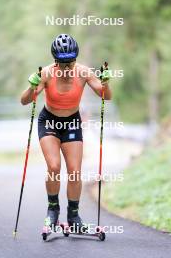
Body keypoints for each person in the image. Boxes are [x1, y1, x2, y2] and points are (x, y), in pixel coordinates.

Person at [20, 34, 112, 230]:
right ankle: (52, 210)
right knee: (54, 167)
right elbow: (25, 100)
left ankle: (73, 215)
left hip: (72, 123)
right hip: (50, 122)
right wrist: (32, 86)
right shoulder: (46, 74)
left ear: (75, 59)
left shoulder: (83, 72)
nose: (67, 67)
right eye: (62, 63)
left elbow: (106, 96)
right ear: (55, 61)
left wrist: (105, 83)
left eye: (70, 62)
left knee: (75, 172)